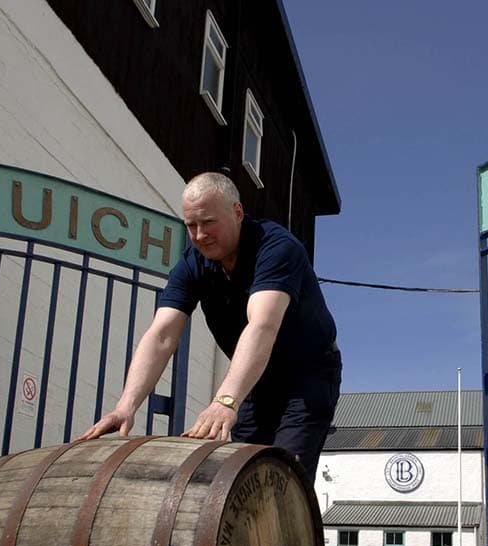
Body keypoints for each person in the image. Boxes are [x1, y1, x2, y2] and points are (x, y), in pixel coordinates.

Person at [81, 171, 342, 482]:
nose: (199, 235)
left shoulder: (277, 248)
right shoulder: (192, 264)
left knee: (282, 478)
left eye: (208, 222)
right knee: (242, 477)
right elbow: (161, 335)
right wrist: (126, 406)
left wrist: (225, 401)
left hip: (307, 376)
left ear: (237, 213)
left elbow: (262, 326)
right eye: (191, 225)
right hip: (256, 382)